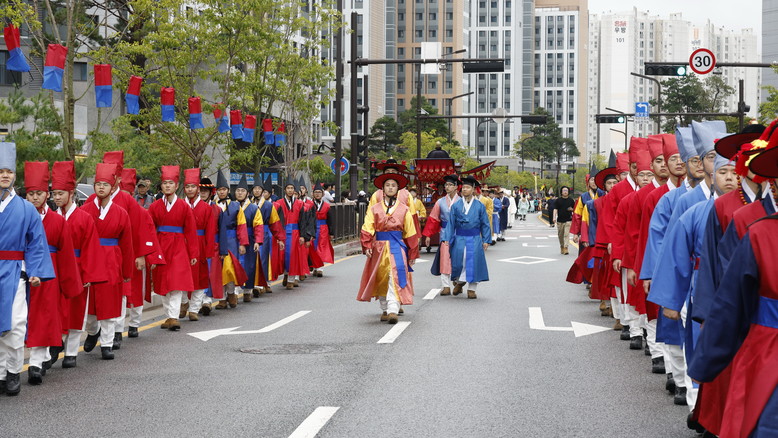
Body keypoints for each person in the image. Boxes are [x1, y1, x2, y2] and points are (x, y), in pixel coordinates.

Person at [0, 143, 54, 395]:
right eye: (1, 171)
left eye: (9, 171)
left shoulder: (25, 208)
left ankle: (12, 371)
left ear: (15, 175)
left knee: (15, 322)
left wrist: (35, 271)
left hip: (15, 270)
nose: (5, 175)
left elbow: (36, 243)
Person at [22, 161, 81, 385]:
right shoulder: (19, 217)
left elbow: (66, 254)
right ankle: (33, 359)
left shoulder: (57, 221)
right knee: (22, 319)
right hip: (22, 272)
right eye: (30, 194)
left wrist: (68, 283)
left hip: (49, 274)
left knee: (44, 317)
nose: (35, 198)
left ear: (46, 195)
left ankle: (35, 364)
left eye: (39, 193)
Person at [48, 161, 106, 370]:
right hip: (55, 268)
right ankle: (54, 345)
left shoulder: (84, 218)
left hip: (78, 268)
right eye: (54, 194)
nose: (56, 198)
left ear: (71, 193)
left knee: (75, 310)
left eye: (60, 193)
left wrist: (89, 275)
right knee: (55, 309)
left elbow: (91, 248)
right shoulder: (51, 218)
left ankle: (71, 352)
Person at [81, 163, 134, 360]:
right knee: (90, 305)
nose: (101, 187)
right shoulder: (85, 210)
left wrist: (126, 271)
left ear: (113, 188)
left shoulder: (121, 213)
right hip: (91, 259)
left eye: (105, 184)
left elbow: (127, 244)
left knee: (110, 303)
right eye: (98, 184)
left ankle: (107, 343)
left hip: (112, 260)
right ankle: (92, 331)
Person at [357, 171, 418, 323]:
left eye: (393, 185)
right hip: (379, 247)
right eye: (387, 185)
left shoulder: (404, 209)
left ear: (398, 189)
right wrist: (367, 244)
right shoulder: (374, 208)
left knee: (395, 276)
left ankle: (392, 310)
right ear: (383, 189)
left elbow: (410, 232)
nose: (390, 188)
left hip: (398, 247)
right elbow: (367, 226)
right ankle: (384, 308)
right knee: (381, 277)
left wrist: (412, 254)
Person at [148, 166, 199, 331]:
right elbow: (149, 230)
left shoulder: (184, 206)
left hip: (178, 247)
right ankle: (169, 316)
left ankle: (173, 317)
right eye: (165, 183)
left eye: (171, 183)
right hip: (160, 246)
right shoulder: (155, 206)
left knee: (176, 283)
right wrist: (151, 252)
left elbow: (191, 231)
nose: (167, 186)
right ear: (161, 186)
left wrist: (193, 253)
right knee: (162, 284)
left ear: (176, 186)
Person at [442, 175, 492, 299]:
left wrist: (486, 240)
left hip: (474, 237)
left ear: (473, 189)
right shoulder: (456, 206)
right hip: (460, 237)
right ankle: (459, 282)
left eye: (468, 187)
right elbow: (451, 223)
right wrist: (446, 238)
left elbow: (485, 224)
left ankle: (472, 289)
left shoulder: (480, 206)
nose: (465, 189)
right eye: (463, 187)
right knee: (458, 262)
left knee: (474, 262)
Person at [179, 168, 215, 321]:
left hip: (200, 244)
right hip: (182, 244)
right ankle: (183, 302)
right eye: (187, 186)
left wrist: (208, 250)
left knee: (200, 277)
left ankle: (194, 309)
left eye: (193, 186)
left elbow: (211, 231)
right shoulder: (180, 205)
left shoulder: (206, 208)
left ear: (198, 189)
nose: (190, 189)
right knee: (180, 275)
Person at [214, 170, 249, 309]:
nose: (222, 192)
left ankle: (231, 293)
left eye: (224, 189)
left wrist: (242, 243)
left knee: (229, 269)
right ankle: (221, 299)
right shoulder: (212, 205)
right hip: (216, 240)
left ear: (228, 191)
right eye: (219, 190)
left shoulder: (235, 206)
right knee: (218, 269)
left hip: (231, 240)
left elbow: (242, 225)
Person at [423, 174, 461, 296]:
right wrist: (428, 235)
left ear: (456, 187)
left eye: (450, 185)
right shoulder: (440, 202)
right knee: (444, 258)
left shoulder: (461, 201)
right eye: (446, 185)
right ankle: (446, 286)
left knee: (458, 258)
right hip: (445, 233)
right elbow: (433, 219)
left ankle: (458, 282)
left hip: (459, 233)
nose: (447, 187)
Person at [274, 178, 311, 289]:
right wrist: (278, 236)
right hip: (283, 232)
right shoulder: (279, 203)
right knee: (283, 256)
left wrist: (302, 236)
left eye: (292, 188)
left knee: (293, 256)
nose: (290, 190)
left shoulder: (299, 204)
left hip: (295, 233)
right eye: (288, 188)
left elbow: (303, 221)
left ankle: (291, 279)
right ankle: (286, 274)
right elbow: (277, 221)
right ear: (284, 190)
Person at [234, 174, 266, 302]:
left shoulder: (253, 208)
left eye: (242, 191)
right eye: (238, 191)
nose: (240, 193)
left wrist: (258, 241)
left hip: (250, 239)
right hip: (234, 239)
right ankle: (234, 292)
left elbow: (258, 226)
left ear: (247, 193)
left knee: (249, 265)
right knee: (234, 265)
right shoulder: (231, 206)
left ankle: (247, 290)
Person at [253, 182, 284, 293]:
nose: (257, 191)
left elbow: (275, 223)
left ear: (262, 191)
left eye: (259, 189)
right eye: (255, 188)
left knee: (263, 258)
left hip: (264, 234)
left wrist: (280, 238)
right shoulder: (248, 204)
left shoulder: (268, 205)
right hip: (250, 234)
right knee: (251, 260)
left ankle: (262, 283)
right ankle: (252, 284)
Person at [308, 183, 334, 277]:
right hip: (312, 228)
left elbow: (330, 220)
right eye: (316, 192)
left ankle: (319, 268)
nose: (317, 194)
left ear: (322, 194)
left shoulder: (327, 206)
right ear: (313, 194)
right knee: (312, 248)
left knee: (322, 247)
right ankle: (314, 266)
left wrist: (331, 232)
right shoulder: (309, 205)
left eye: (319, 192)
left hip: (323, 228)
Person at [552, 187, 575, 255]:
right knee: (560, 235)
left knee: (566, 234)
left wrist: (572, 210)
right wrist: (554, 217)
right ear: (561, 192)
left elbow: (575, 209)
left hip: (568, 220)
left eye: (566, 190)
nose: (565, 192)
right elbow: (555, 209)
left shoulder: (571, 200)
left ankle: (566, 247)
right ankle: (562, 246)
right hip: (560, 220)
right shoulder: (558, 200)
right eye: (564, 190)